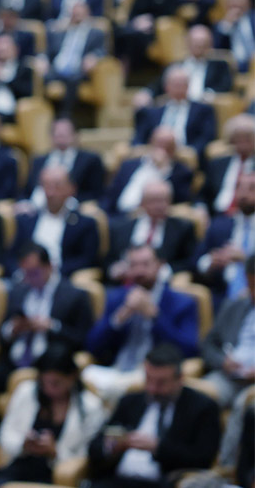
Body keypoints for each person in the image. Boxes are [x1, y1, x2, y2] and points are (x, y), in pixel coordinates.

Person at [87, 344, 221, 488]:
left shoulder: (202, 407)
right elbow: (95, 447)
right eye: (149, 380)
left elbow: (202, 460)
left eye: (161, 382)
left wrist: (158, 448)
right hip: (117, 481)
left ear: (180, 378)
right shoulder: (130, 401)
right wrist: (112, 446)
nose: (152, 389)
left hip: (163, 483)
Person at [84, 246, 200, 403]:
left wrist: (155, 316)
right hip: (117, 369)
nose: (139, 271)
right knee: (86, 380)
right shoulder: (116, 298)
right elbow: (92, 345)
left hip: (153, 375)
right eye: (133, 265)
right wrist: (121, 316)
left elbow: (189, 349)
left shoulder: (181, 302)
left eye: (145, 264)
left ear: (160, 265)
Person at [0, 345, 105, 487]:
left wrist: (54, 452)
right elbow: (5, 435)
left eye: (56, 383)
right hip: (19, 467)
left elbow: (87, 457)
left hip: (56, 476)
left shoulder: (91, 407)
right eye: (44, 383)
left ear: (72, 377)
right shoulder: (26, 391)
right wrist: (23, 444)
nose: (49, 389)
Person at [0, 244, 95, 395]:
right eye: (25, 273)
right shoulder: (17, 291)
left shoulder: (75, 296)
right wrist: (13, 329)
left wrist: (51, 326)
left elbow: (84, 340)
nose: (29, 278)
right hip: (13, 363)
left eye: (34, 272)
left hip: (49, 367)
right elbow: (0, 336)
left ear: (49, 267)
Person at [7, 166, 100, 278]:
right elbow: (11, 256)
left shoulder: (84, 224)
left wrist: (52, 272)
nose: (50, 193)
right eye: (46, 186)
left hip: (62, 279)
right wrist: (19, 273)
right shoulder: (26, 220)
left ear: (71, 189)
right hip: (24, 278)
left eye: (57, 186)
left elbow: (86, 260)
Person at [105, 180, 198, 282]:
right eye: (153, 201)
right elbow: (106, 260)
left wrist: (165, 271)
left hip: (164, 283)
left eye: (163, 200)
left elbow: (191, 261)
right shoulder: (120, 228)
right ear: (142, 203)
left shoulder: (183, 228)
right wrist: (115, 269)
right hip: (124, 283)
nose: (159, 206)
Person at [132, 64, 219, 162]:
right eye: (175, 84)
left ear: (188, 86)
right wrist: (139, 150)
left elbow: (207, 137)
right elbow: (139, 137)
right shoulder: (154, 111)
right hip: (154, 155)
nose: (178, 88)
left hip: (185, 155)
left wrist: (193, 152)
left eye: (182, 84)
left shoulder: (203, 110)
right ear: (166, 87)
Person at [201, 256, 255, 409]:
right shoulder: (234, 306)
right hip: (228, 377)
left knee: (246, 406)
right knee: (199, 399)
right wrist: (222, 361)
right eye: (251, 286)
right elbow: (208, 345)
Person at [104, 127, 194, 216]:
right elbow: (111, 195)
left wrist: (162, 170)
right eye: (159, 144)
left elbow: (180, 203)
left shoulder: (181, 173)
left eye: (167, 146)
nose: (162, 150)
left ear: (174, 149)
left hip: (147, 217)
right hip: (116, 215)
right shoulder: (129, 165)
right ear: (151, 143)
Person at [195, 173, 255, 306]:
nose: (244, 194)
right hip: (222, 298)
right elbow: (195, 262)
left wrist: (245, 260)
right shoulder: (219, 225)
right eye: (240, 188)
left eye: (252, 188)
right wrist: (210, 262)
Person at [41, 2, 106, 116]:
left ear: (88, 14)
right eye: (75, 14)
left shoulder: (95, 33)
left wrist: (94, 56)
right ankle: (42, 115)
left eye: (80, 14)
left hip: (79, 69)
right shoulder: (61, 32)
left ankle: (65, 116)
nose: (77, 17)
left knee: (73, 79)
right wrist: (43, 59)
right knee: (40, 76)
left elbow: (102, 50)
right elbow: (48, 51)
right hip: (57, 69)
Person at [25, 118, 106, 205]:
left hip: (75, 207)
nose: (60, 138)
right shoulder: (38, 160)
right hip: (36, 207)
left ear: (75, 135)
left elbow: (97, 193)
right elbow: (26, 191)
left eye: (64, 134)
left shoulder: (91, 160)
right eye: (57, 134)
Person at [200, 113, 255, 217]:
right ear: (232, 140)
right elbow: (203, 194)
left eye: (247, 138)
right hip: (219, 213)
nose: (242, 142)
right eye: (238, 138)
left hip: (249, 214)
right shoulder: (218, 164)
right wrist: (200, 208)